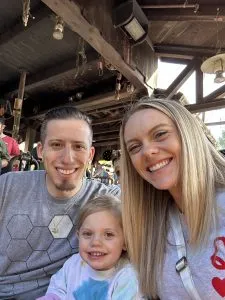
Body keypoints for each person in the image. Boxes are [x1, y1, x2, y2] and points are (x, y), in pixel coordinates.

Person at [0, 106, 120, 299]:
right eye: (56, 145)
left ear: (90, 154)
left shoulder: (108, 200)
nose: (67, 158)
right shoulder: (7, 187)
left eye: (78, 147)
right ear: (41, 150)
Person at [120, 97, 225, 299]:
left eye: (160, 134)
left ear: (188, 135)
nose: (148, 151)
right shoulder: (150, 226)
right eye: (134, 147)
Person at [37, 194, 141, 300]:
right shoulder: (73, 264)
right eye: (87, 234)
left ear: (125, 242)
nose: (95, 242)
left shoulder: (127, 278)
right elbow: (57, 291)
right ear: (78, 236)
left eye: (108, 234)